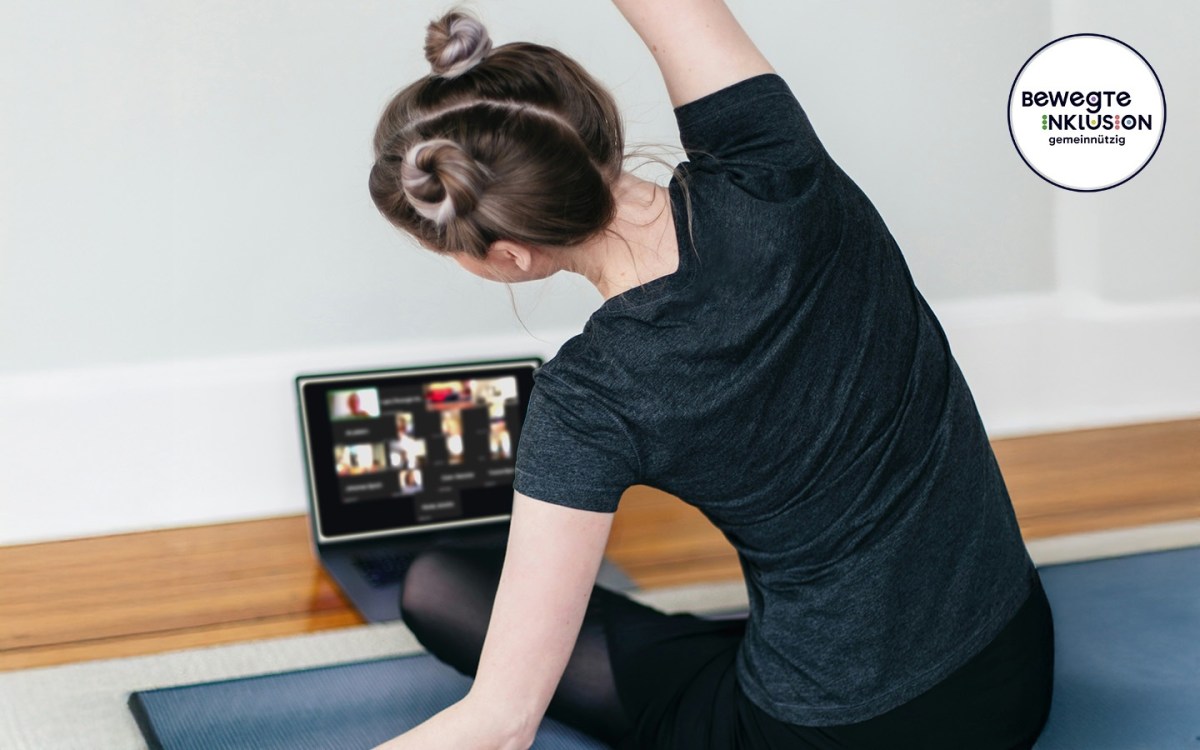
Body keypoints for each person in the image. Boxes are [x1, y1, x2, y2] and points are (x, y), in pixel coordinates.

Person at [366, 3, 1054, 749]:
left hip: (833, 735)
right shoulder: (774, 160)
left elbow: (500, 724)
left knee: (436, 585)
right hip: (1014, 672)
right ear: (593, 121)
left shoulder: (589, 401)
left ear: (508, 257)